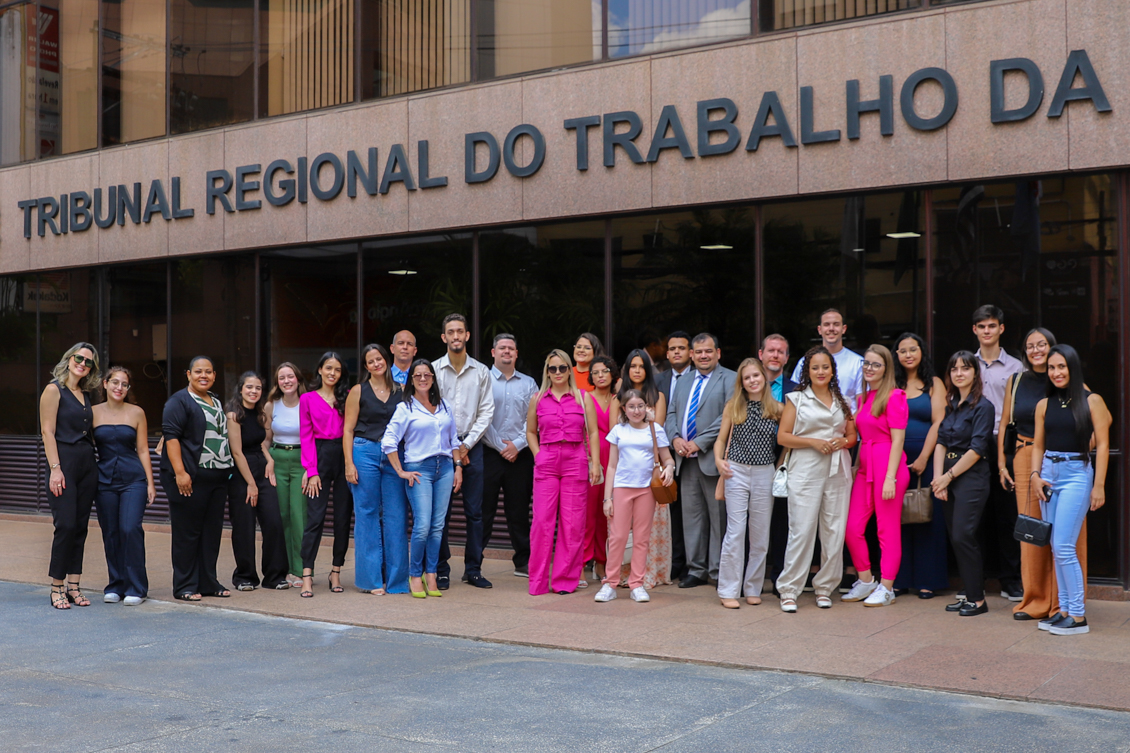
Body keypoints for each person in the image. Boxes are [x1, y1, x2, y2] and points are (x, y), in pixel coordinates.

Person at [1000, 329, 1088, 621]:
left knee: (1065, 536)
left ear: (1052, 348)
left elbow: (1094, 419)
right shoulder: (1016, 380)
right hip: (1027, 458)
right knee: (1033, 532)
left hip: (1064, 463)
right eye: (1030, 346)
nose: (1036, 350)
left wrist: (1077, 450)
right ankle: (1036, 599)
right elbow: (1005, 423)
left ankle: (1064, 605)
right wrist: (1003, 462)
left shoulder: (1067, 380)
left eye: (1042, 345)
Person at [1030, 345, 1111, 636]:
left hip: (1077, 474)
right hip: (1048, 475)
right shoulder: (1045, 404)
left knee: (1064, 545)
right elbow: (1038, 444)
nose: (1056, 372)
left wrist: (1098, 485)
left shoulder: (1092, 401)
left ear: (1072, 368)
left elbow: (1102, 444)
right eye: (1052, 368)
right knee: (1055, 545)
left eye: (1062, 367)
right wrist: (1035, 475)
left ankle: (1077, 616)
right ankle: (1063, 609)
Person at [775, 347, 857, 612]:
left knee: (834, 530)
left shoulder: (841, 399)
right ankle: (789, 590)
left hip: (838, 470)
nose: (821, 372)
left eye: (825, 367)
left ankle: (825, 587)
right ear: (807, 372)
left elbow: (852, 436)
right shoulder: (796, 399)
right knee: (802, 529)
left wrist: (843, 441)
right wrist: (812, 442)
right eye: (815, 368)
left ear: (832, 370)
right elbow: (783, 437)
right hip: (806, 468)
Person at [382, 359, 461, 599]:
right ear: (411, 380)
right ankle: (414, 574)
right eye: (418, 375)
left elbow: (454, 441)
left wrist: (458, 467)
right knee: (423, 525)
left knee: (437, 527)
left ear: (433, 378)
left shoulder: (444, 405)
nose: (423, 379)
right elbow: (389, 441)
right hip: (420, 469)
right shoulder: (405, 407)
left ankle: (431, 573)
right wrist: (401, 471)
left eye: (427, 374)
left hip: (445, 468)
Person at [526, 350, 602, 596]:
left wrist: (595, 463)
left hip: (575, 460)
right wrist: (538, 455)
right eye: (552, 368)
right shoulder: (538, 398)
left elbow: (592, 432)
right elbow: (530, 432)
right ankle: (537, 582)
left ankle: (564, 581)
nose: (557, 373)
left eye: (562, 368)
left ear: (569, 369)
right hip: (547, 461)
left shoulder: (583, 398)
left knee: (573, 524)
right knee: (541, 523)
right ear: (547, 371)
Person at [160, 356, 235, 601]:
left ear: (214, 375)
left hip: (217, 477)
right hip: (191, 477)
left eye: (209, 372)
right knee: (187, 533)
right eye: (198, 371)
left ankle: (208, 582)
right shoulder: (179, 401)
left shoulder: (214, 399)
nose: (204, 375)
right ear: (188, 374)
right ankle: (184, 586)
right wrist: (180, 473)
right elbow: (171, 439)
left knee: (211, 533)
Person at [665, 333, 736, 588]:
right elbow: (672, 411)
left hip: (711, 458)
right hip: (686, 459)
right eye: (699, 352)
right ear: (692, 355)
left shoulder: (730, 378)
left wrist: (700, 442)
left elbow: (727, 417)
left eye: (709, 351)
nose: (704, 355)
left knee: (718, 519)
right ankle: (696, 569)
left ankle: (718, 571)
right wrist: (674, 439)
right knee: (692, 517)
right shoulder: (684, 381)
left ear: (718, 353)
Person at [841, 345, 910, 607]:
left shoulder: (895, 397)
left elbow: (898, 440)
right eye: (866, 364)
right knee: (852, 528)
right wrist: (856, 466)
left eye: (876, 364)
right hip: (865, 467)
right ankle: (866, 580)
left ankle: (887, 587)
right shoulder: (863, 399)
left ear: (886, 368)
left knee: (887, 529)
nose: (869, 368)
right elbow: (862, 438)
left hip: (887, 468)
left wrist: (890, 477)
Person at [594, 390, 675, 604]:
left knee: (641, 538)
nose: (636, 410)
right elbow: (611, 466)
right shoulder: (618, 431)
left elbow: (668, 459)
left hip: (646, 490)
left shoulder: (655, 429)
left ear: (646, 408)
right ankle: (610, 583)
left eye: (640, 406)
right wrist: (607, 498)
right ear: (624, 409)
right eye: (631, 406)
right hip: (621, 488)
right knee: (618, 537)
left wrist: (670, 469)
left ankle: (636, 584)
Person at [433, 313, 495, 589]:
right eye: (451, 332)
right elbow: (430, 410)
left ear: (467, 336)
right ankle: (441, 568)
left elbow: (486, 412)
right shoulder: (433, 370)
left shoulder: (482, 372)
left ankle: (473, 569)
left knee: (475, 512)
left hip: (473, 447)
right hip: (441, 449)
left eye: (460, 331)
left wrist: (466, 444)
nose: (456, 336)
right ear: (444, 337)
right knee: (441, 513)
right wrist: (453, 447)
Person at [931, 351, 995, 617]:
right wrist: (938, 480)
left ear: (975, 373)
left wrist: (949, 476)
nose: (959, 373)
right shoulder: (951, 405)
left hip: (971, 477)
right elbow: (941, 443)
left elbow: (978, 449)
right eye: (954, 369)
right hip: (949, 476)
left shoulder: (984, 407)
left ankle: (978, 600)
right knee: (956, 539)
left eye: (965, 368)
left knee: (963, 535)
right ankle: (969, 594)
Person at [714, 358, 781, 609]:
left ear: (764, 378)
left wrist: (779, 465)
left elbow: (786, 440)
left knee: (760, 534)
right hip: (736, 472)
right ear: (741, 382)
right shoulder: (734, 406)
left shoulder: (777, 408)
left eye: (756, 375)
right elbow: (720, 440)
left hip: (765, 472)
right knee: (736, 531)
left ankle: (752, 587)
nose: (752, 380)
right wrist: (719, 461)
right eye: (747, 377)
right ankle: (728, 589)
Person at [344, 343, 408, 595]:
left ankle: (397, 581)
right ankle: (371, 581)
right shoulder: (358, 391)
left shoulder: (401, 390)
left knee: (396, 515)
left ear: (387, 360)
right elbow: (348, 429)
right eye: (370, 361)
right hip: (365, 452)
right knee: (367, 514)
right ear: (365, 366)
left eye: (379, 358)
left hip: (394, 456)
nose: (376, 363)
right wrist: (349, 463)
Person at [41, 343, 101, 609]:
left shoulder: (84, 394)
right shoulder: (54, 390)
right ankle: (57, 586)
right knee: (65, 525)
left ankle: (74, 586)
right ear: (69, 359)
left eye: (89, 362)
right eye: (80, 358)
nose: (83, 364)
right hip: (63, 463)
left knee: (80, 527)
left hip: (87, 464)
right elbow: (47, 432)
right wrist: (55, 469)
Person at [971, 304, 1024, 601]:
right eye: (982, 326)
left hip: (1005, 444)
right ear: (975, 330)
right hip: (974, 444)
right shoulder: (966, 364)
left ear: (1001, 329)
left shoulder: (1017, 367)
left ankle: (1010, 579)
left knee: (1007, 515)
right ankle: (974, 577)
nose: (987, 331)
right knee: (976, 514)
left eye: (992, 326)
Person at [891, 333, 948, 599]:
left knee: (927, 517)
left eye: (913, 349)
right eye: (902, 351)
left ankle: (928, 580)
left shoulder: (934, 383)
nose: (908, 355)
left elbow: (939, 421)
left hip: (927, 459)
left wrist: (924, 457)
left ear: (921, 352)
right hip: (894, 460)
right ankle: (899, 578)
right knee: (897, 519)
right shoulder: (891, 383)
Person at [92, 366, 155, 606]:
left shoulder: (137, 412)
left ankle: (136, 588)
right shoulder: (93, 412)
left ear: (128, 389)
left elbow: (142, 450)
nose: (119, 387)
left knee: (130, 529)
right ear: (105, 384)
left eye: (124, 384)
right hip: (104, 480)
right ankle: (116, 585)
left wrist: (150, 482)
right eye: (115, 382)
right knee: (111, 532)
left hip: (133, 479)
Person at [226, 371, 289, 591]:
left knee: (273, 521)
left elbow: (260, 442)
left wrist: (270, 460)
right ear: (241, 388)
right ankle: (245, 577)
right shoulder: (234, 415)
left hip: (261, 467)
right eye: (249, 387)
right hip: (242, 472)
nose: (254, 391)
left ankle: (274, 576)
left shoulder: (261, 413)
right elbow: (237, 451)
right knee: (244, 526)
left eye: (258, 388)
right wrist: (251, 484)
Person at [482, 334, 539, 578]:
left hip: (521, 455)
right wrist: (500, 446)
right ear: (493, 352)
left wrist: (516, 445)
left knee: (518, 511)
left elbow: (536, 419)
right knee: (483, 511)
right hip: (488, 453)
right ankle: (474, 563)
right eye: (502, 348)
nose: (507, 351)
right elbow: (479, 417)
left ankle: (523, 561)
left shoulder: (529, 384)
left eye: (511, 348)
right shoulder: (482, 380)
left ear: (516, 354)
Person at [615, 350, 672, 589]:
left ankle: (647, 576)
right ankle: (618, 575)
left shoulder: (657, 395)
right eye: (633, 366)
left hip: (650, 475)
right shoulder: (618, 396)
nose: (637, 370)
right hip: (624, 474)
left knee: (646, 531)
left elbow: (656, 432)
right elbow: (613, 433)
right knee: (619, 534)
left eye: (641, 366)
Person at [298, 352, 352, 598]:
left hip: (344, 455)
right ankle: (307, 574)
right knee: (315, 519)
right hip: (319, 455)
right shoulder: (307, 399)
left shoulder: (348, 397)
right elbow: (306, 435)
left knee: (342, 518)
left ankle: (335, 571)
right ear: (319, 370)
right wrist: (311, 470)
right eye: (328, 368)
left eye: (337, 370)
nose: (333, 373)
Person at [264, 362, 307, 588]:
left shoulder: (308, 403)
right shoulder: (272, 406)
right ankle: (283, 569)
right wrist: (269, 460)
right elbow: (265, 440)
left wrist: (311, 468)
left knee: (299, 516)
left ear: (298, 379)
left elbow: (314, 439)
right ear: (277, 382)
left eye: (290, 376)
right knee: (281, 516)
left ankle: (299, 570)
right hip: (278, 461)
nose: (287, 381)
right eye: (282, 378)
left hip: (301, 461)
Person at [760, 333, 798, 587]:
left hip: (784, 460)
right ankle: (751, 577)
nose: (775, 355)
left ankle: (779, 577)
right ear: (761, 355)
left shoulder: (796, 391)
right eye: (770, 350)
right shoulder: (747, 385)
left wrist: (782, 461)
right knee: (753, 520)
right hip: (750, 460)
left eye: (780, 351)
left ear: (786, 358)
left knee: (782, 522)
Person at [657, 331, 692, 582]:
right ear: (667, 353)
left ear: (690, 352)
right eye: (673, 348)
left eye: (682, 348)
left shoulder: (701, 377)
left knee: (690, 513)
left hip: (692, 454)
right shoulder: (658, 381)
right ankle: (673, 562)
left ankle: (691, 563)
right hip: (663, 455)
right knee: (670, 513)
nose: (677, 352)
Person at [581, 354, 617, 585]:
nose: (600, 375)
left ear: (612, 373)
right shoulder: (584, 397)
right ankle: (582, 560)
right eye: (596, 372)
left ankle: (602, 562)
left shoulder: (619, 398)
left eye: (605, 371)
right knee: (587, 513)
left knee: (608, 513)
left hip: (614, 458)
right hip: (589, 457)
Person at [790, 309, 864, 404]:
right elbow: (795, 397)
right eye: (826, 324)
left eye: (836, 324)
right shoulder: (805, 362)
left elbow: (862, 405)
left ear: (844, 329)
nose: (831, 328)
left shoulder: (858, 363)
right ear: (819, 330)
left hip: (848, 418)